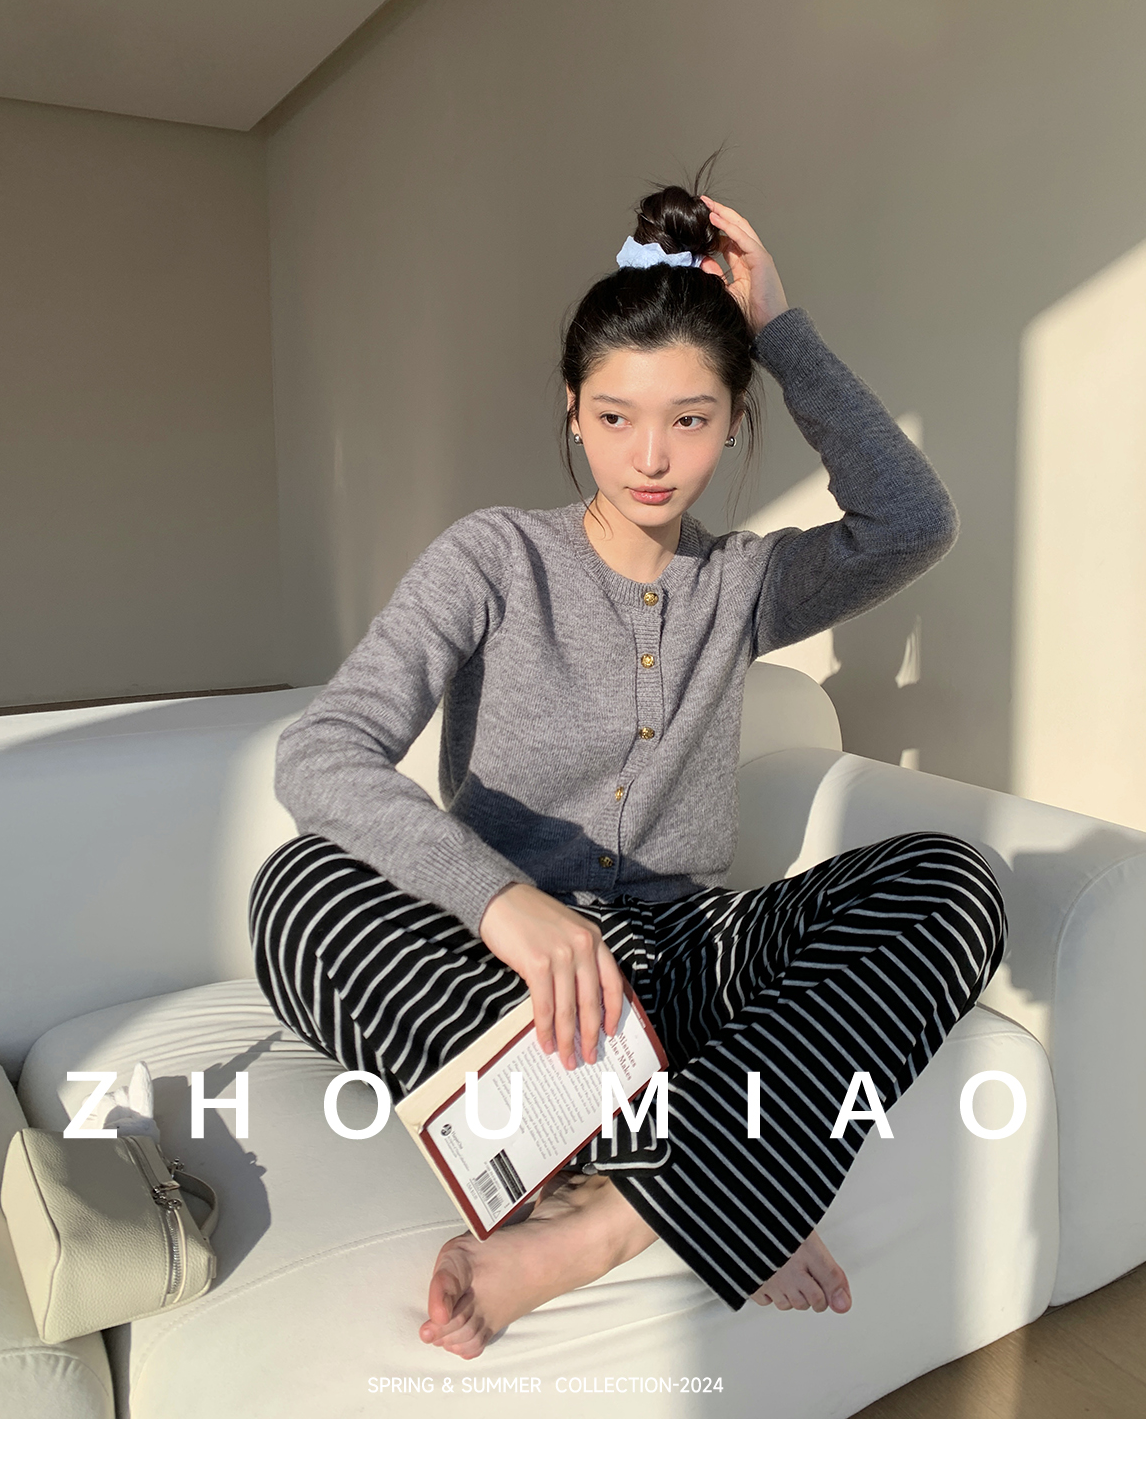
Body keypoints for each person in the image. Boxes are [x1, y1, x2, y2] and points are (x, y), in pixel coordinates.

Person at [247, 169, 1008, 1362]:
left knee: (953, 883)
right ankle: (718, 1177)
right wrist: (506, 904)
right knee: (297, 891)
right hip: (506, 974)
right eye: (615, 417)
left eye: (690, 419)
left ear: (736, 419)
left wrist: (779, 330)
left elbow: (913, 522)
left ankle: (600, 1220)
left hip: (683, 962)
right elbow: (321, 753)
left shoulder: (745, 583)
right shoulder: (493, 558)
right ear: (571, 410)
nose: (650, 456)